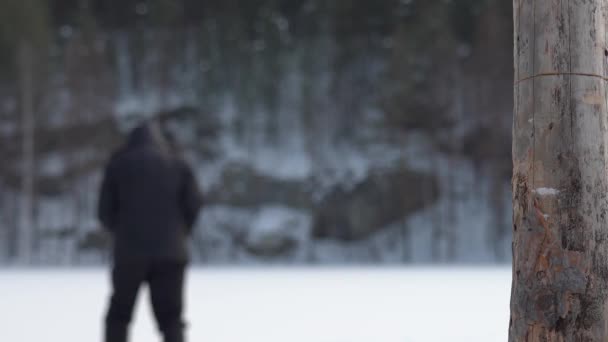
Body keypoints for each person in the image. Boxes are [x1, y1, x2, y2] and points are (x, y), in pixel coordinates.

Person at [98, 120, 203, 342]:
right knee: (171, 319)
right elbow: (193, 204)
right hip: (171, 254)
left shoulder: (118, 164)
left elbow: (104, 211)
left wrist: (122, 231)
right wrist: (180, 234)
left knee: (119, 315)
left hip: (130, 253)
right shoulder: (178, 164)